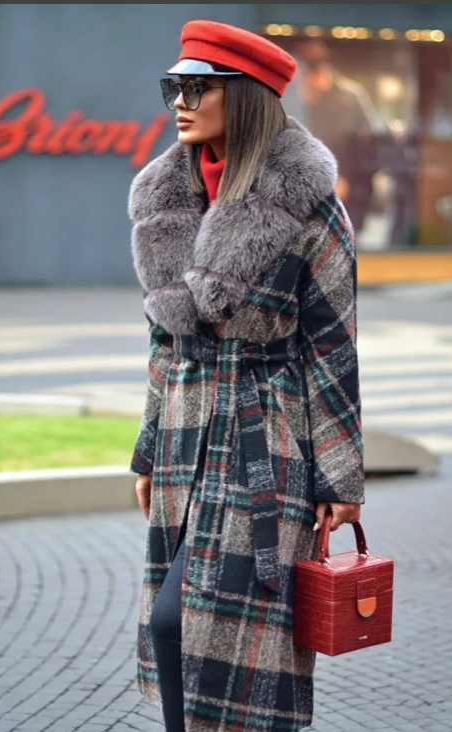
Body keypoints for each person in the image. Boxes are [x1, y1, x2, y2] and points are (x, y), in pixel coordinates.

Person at [128, 19, 365, 732]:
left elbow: (333, 347)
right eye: (174, 87)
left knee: (212, 633)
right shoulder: (165, 201)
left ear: (247, 97)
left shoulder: (310, 208)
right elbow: (164, 342)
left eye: (197, 88)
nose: (180, 102)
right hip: (183, 437)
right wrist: (147, 449)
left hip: (267, 440)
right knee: (177, 633)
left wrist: (340, 479)